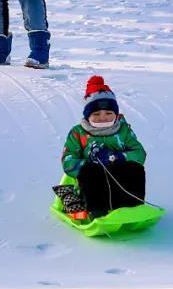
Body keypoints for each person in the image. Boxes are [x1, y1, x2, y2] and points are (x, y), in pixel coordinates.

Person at [53, 76, 147, 219]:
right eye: (96, 114)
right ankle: (96, 210)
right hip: (91, 185)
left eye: (109, 113)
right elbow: (68, 161)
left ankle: (132, 207)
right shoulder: (78, 133)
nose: (103, 118)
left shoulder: (123, 130)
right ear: (87, 115)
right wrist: (90, 162)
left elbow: (140, 153)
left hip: (119, 179)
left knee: (135, 169)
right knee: (91, 171)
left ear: (115, 114)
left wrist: (118, 157)